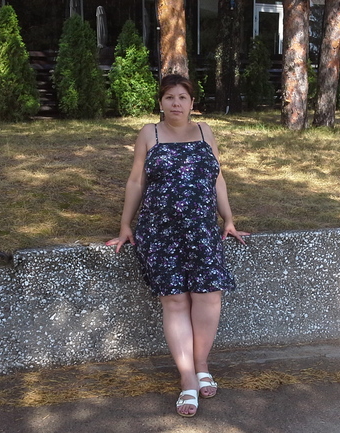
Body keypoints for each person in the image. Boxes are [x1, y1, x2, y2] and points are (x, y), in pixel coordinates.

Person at [106, 74, 248, 417]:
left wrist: (228, 219)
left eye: (182, 97)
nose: (176, 103)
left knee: (208, 295)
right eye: (169, 97)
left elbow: (217, 178)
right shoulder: (149, 133)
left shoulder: (205, 132)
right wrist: (125, 225)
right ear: (161, 102)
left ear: (192, 103)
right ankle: (187, 379)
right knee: (174, 300)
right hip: (160, 231)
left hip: (202, 229)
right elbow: (136, 181)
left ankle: (201, 365)